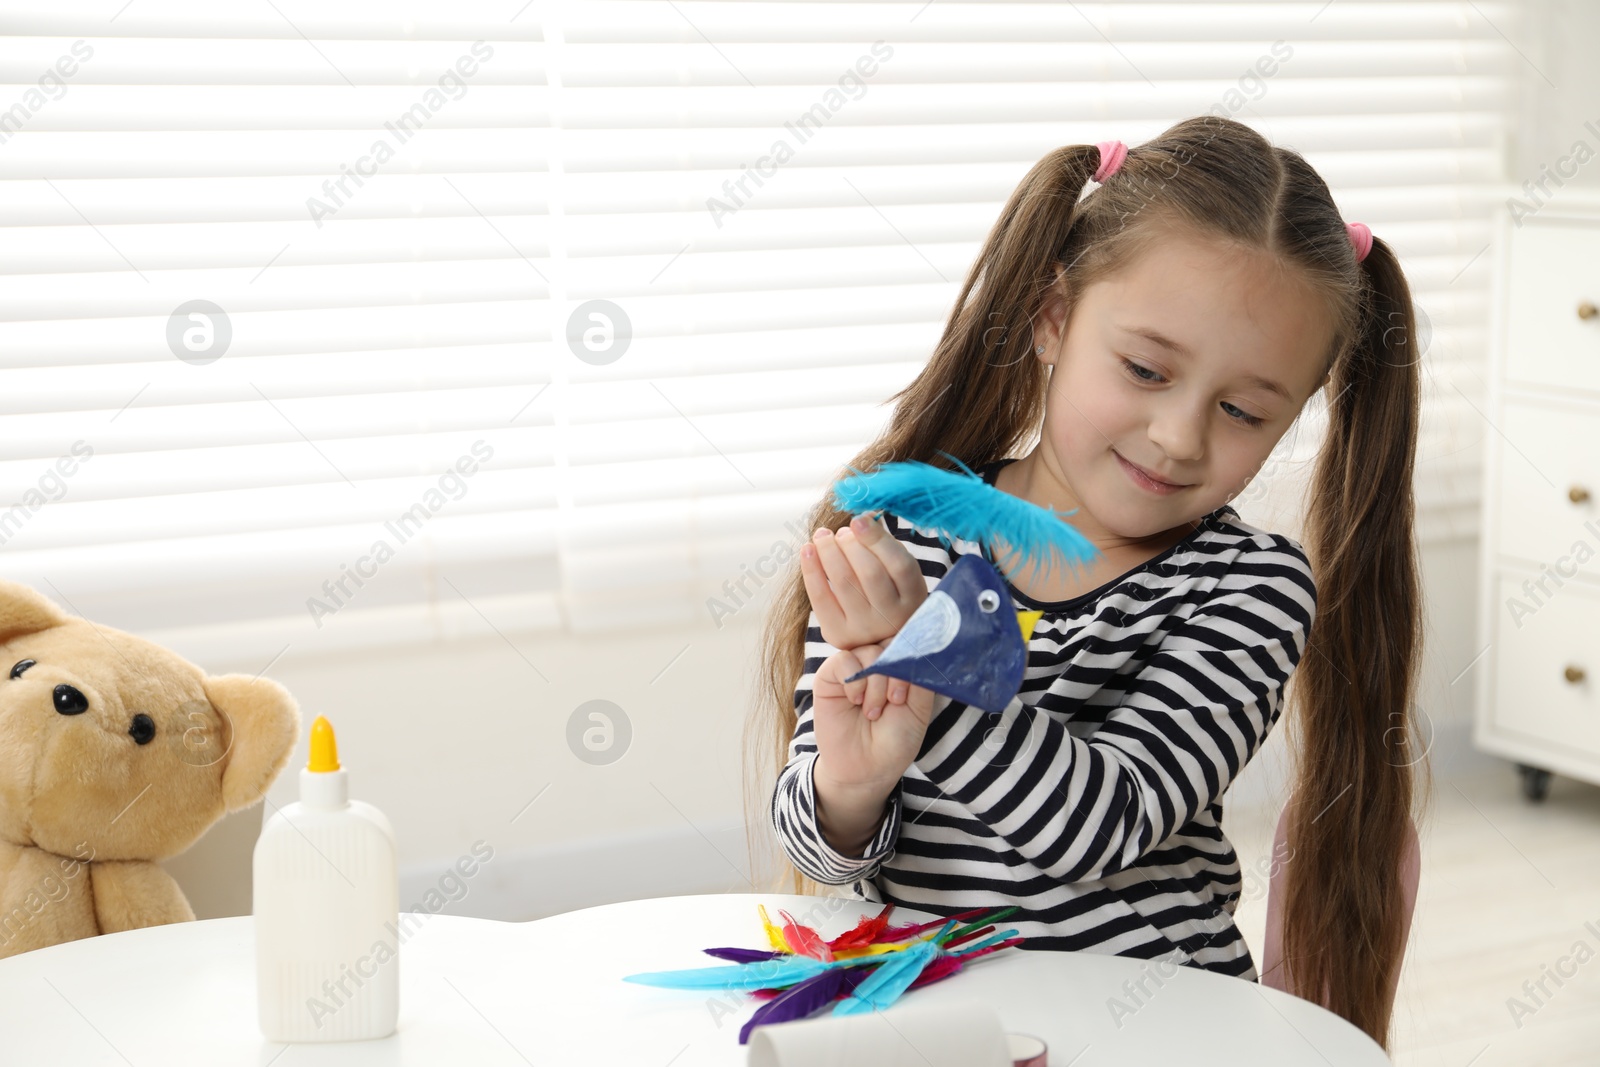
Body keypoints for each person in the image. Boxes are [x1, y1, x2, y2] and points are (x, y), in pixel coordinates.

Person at [744, 114, 1430, 1052]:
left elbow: (1100, 823)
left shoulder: (1250, 587)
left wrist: (935, 684)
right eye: (1146, 369)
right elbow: (820, 850)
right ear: (1054, 315)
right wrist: (850, 785)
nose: (1180, 436)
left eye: (1241, 410)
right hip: (954, 1028)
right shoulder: (902, 540)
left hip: (1156, 1032)